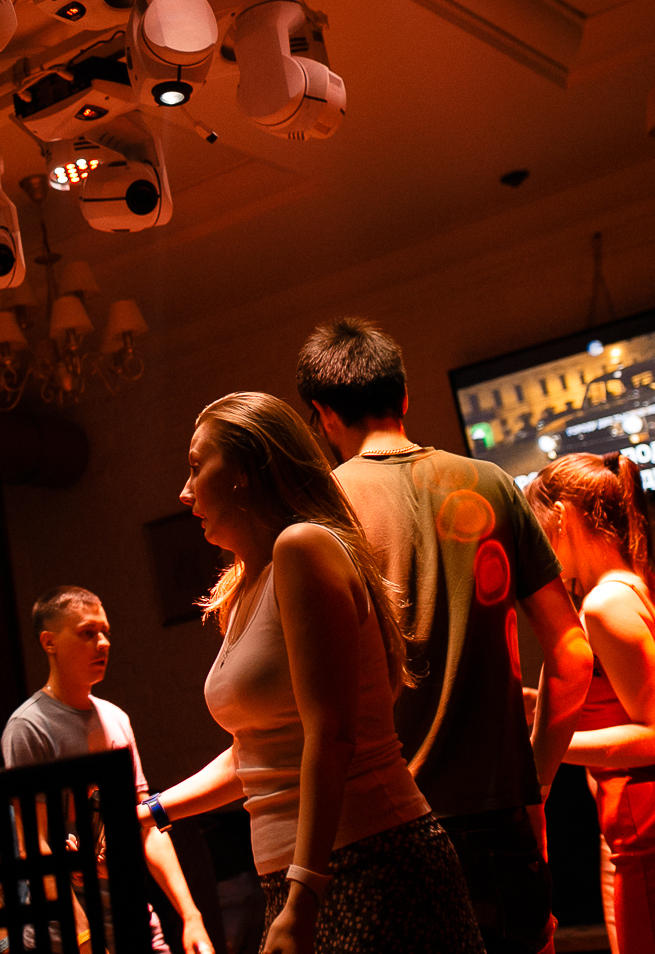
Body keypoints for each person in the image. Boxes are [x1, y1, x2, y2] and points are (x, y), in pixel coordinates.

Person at [140, 391, 483, 954]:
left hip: (370, 858)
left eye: (197, 466)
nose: (185, 491)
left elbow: (331, 734)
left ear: (248, 469)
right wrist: (153, 811)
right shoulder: (246, 585)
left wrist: (303, 896)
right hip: (304, 872)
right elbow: (260, 750)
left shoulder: (303, 548)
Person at [296, 318, 592, 954]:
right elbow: (572, 654)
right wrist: (536, 780)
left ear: (323, 414)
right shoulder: (493, 483)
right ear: (404, 396)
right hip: (501, 823)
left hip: (387, 832)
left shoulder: (319, 514)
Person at [523, 453, 655, 953]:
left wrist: (546, 744)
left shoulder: (606, 604)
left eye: (536, 527)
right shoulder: (645, 587)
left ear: (563, 516)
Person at [3, 586, 215, 954]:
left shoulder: (116, 719)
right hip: (67, 935)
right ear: (49, 642)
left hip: (134, 922)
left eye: (105, 632)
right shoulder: (29, 727)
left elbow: (146, 828)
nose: (103, 643)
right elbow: (32, 845)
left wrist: (190, 914)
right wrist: (83, 935)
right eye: (87, 633)